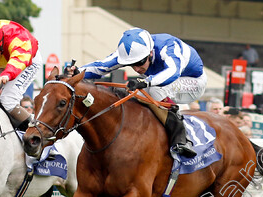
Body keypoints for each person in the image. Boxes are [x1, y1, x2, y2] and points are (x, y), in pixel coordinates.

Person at [76, 27, 206, 158]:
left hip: (193, 82)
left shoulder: (168, 47)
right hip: (163, 79)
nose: (137, 69)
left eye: (140, 63)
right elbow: (102, 66)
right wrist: (76, 72)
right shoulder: (130, 51)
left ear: (150, 53)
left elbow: (172, 72)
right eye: (132, 64)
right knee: (137, 94)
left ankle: (182, 137)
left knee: (153, 89)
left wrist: (147, 81)